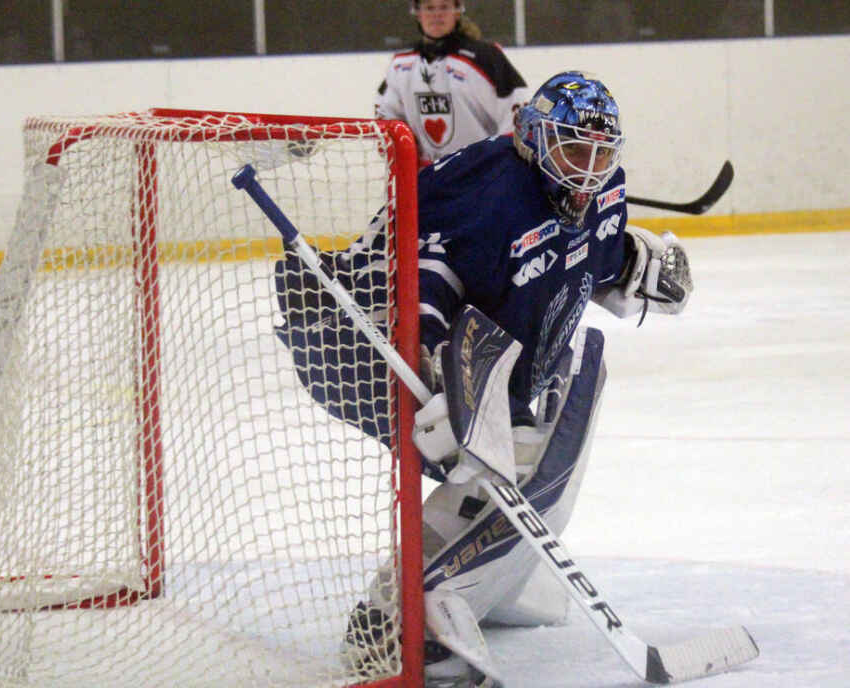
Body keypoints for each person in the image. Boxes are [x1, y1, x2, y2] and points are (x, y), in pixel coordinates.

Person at [274, 71, 693, 687]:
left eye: (601, 154)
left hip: (485, 360)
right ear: (535, 138)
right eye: (574, 151)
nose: (588, 171)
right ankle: (390, 621)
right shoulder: (486, 196)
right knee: (496, 472)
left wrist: (638, 264)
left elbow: (590, 253)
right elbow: (419, 287)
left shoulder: (599, 191)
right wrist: (431, 374)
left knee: (534, 469)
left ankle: (489, 588)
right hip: (359, 341)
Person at [375, 0, 531, 166]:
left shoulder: (485, 57)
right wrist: (399, 153)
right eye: (429, 8)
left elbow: (516, 111)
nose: (437, 14)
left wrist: (498, 164)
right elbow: (387, 114)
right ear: (418, 14)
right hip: (427, 175)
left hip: (478, 172)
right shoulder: (401, 63)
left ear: (457, 11)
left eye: (444, 7)